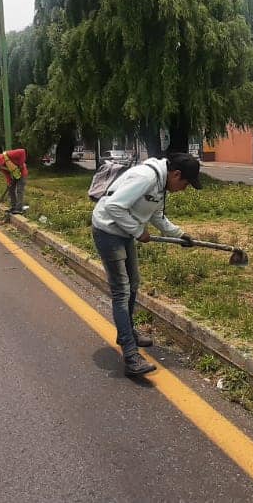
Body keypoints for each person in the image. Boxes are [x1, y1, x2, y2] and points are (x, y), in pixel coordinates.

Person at [91, 152, 200, 376]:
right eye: (186, 183)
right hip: (108, 230)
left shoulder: (160, 185)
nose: (184, 188)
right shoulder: (146, 178)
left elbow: (156, 216)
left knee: (133, 284)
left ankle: (127, 331)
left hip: (124, 232)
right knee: (121, 291)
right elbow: (113, 206)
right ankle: (130, 355)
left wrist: (180, 234)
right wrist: (138, 231)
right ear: (176, 174)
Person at [0, 148, 28, 215]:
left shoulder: (8, 154)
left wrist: (21, 165)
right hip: (14, 175)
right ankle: (14, 207)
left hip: (22, 172)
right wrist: (9, 182)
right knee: (11, 189)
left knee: (19, 190)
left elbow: (23, 151)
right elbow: (7, 174)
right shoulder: (1, 166)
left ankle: (19, 209)